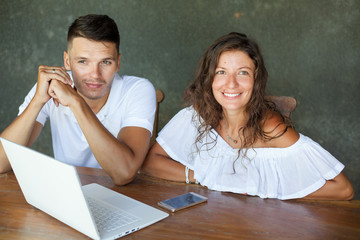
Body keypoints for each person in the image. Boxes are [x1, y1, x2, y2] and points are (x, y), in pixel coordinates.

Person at [142, 32, 354, 200]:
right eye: (221, 72)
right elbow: (151, 163)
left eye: (242, 72)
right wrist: (208, 175)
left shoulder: (271, 128)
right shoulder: (199, 115)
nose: (231, 84)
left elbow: (343, 189)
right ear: (210, 79)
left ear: (256, 79)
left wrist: (265, 188)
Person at [0, 14, 156, 185]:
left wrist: (76, 102)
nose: (95, 75)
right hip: (67, 194)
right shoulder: (52, 85)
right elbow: (2, 163)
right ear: (67, 61)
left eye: (105, 62)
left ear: (118, 62)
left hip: (123, 198)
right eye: (83, 61)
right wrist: (37, 101)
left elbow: (123, 173)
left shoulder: (137, 90)